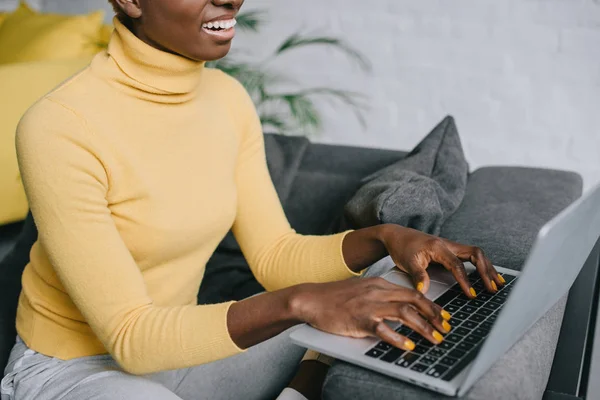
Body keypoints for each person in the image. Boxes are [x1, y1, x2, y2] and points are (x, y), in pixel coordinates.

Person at [0, 1, 504, 399]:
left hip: (183, 352)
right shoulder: (59, 126)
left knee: (383, 287)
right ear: (128, 0)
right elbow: (132, 337)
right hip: (74, 372)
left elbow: (275, 256)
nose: (229, 0)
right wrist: (301, 304)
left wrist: (385, 237)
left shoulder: (227, 101)